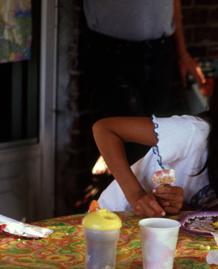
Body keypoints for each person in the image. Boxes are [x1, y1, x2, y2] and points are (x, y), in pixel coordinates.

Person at [93, 46, 218, 218]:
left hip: (160, 233)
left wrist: (178, 206)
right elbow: (105, 129)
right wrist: (137, 195)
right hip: (113, 218)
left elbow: (212, 217)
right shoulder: (194, 132)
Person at [81, 0, 206, 167]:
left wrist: (182, 53)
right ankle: (131, 192)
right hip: (110, 52)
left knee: (156, 138)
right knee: (135, 146)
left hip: (160, 51)